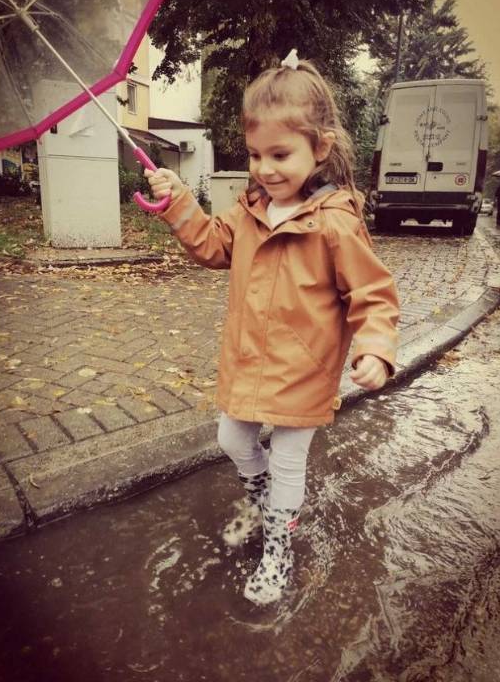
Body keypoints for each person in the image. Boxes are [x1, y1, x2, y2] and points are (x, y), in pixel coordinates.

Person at [143, 50, 400, 606]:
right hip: (249, 360)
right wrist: (178, 200)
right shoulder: (250, 209)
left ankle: (278, 546)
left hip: (305, 369)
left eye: (280, 154)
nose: (265, 168)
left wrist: (376, 349)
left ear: (320, 149)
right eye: (256, 154)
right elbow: (212, 246)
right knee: (231, 437)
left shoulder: (335, 223)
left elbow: (373, 293)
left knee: (287, 458)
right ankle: (267, 506)